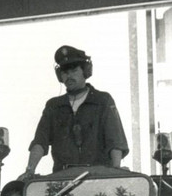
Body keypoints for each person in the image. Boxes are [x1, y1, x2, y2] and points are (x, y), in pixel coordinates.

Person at [25, 45, 129, 175]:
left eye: (73, 70)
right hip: (63, 179)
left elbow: (115, 141)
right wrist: (30, 170)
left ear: (85, 71)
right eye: (64, 72)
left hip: (98, 177)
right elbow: (40, 141)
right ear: (59, 76)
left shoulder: (103, 101)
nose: (69, 76)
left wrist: (115, 171)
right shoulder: (53, 106)